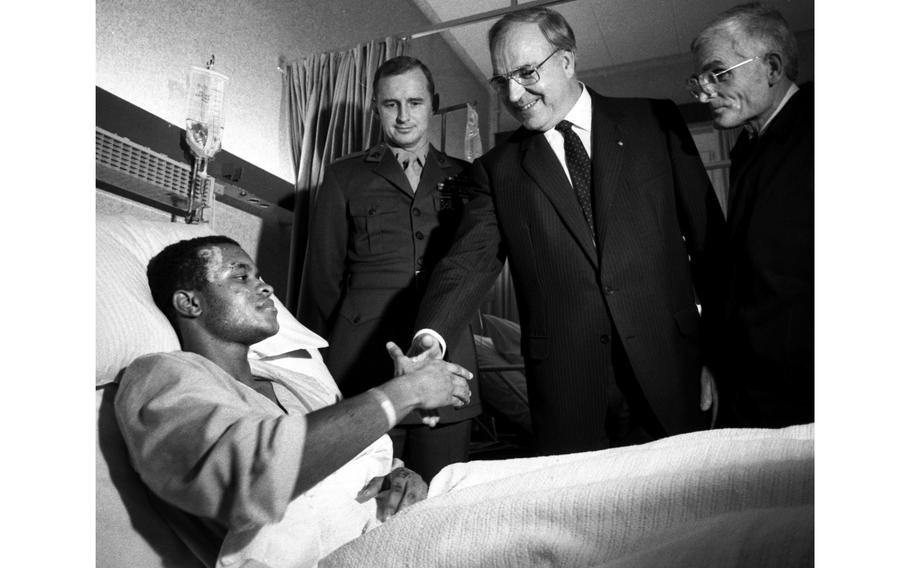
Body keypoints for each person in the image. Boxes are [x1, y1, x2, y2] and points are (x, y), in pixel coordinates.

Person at [410, 6, 726, 456]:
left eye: (525, 72)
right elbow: (467, 262)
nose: (515, 95)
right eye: (502, 80)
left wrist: (717, 354)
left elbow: (710, 246)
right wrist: (430, 337)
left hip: (674, 369)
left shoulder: (654, 123)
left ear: (567, 60)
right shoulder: (498, 170)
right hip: (568, 392)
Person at [115, 236, 473, 567]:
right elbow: (251, 480)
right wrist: (405, 393)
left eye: (259, 275)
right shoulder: (162, 375)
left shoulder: (297, 380)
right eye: (240, 276)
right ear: (190, 302)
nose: (266, 286)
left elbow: (352, 461)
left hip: (390, 527)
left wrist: (399, 476)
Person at [300, 56, 481, 480]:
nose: (403, 116)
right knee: (361, 504)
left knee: (439, 497)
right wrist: (317, 370)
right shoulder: (344, 176)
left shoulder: (468, 178)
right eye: (390, 104)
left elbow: (478, 265)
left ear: (432, 104)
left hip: (446, 361)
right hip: (362, 366)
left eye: (414, 102)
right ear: (376, 107)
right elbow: (322, 280)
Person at [689, 3, 813, 427]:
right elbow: (737, 271)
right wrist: (713, 359)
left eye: (718, 74)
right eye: (700, 79)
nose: (704, 92)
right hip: (747, 387)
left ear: (772, 68)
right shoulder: (746, 148)